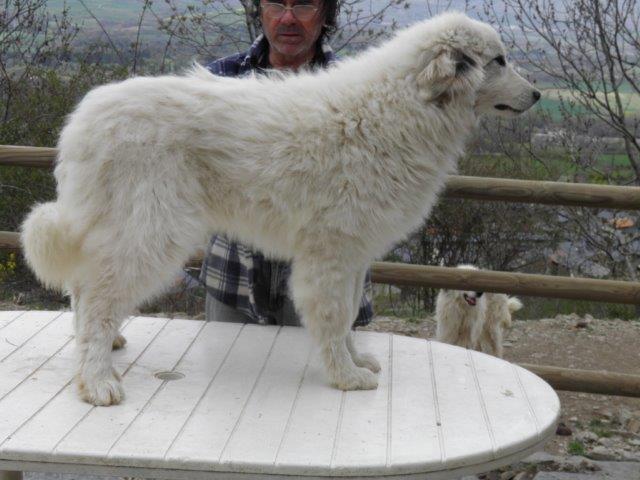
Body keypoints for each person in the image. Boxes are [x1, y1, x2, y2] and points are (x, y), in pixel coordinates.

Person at [200, 0, 373, 327]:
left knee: (323, 378)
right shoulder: (217, 83)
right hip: (232, 283)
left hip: (329, 289)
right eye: (277, 3)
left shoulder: (360, 92)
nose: (288, 18)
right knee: (225, 378)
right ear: (260, 10)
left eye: (304, 5)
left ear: (326, 13)